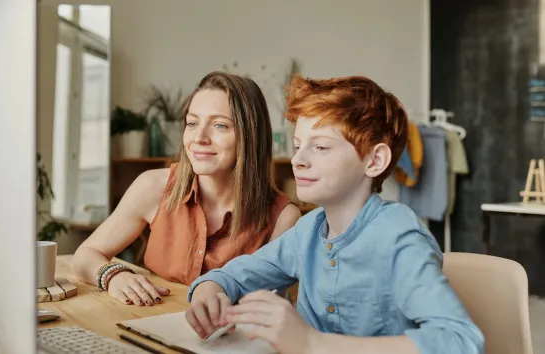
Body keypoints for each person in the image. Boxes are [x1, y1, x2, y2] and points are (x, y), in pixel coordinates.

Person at [185, 75, 484, 354]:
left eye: (321, 147)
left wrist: (313, 343)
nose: (298, 160)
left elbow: (460, 340)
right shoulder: (308, 230)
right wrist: (208, 295)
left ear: (375, 160)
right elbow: (233, 276)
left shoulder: (398, 237)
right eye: (298, 146)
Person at [70, 71, 301, 307]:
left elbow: (268, 307)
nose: (199, 137)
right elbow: (84, 255)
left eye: (220, 125)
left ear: (251, 136)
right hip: (143, 327)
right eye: (192, 123)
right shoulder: (153, 186)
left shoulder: (283, 218)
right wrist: (114, 276)